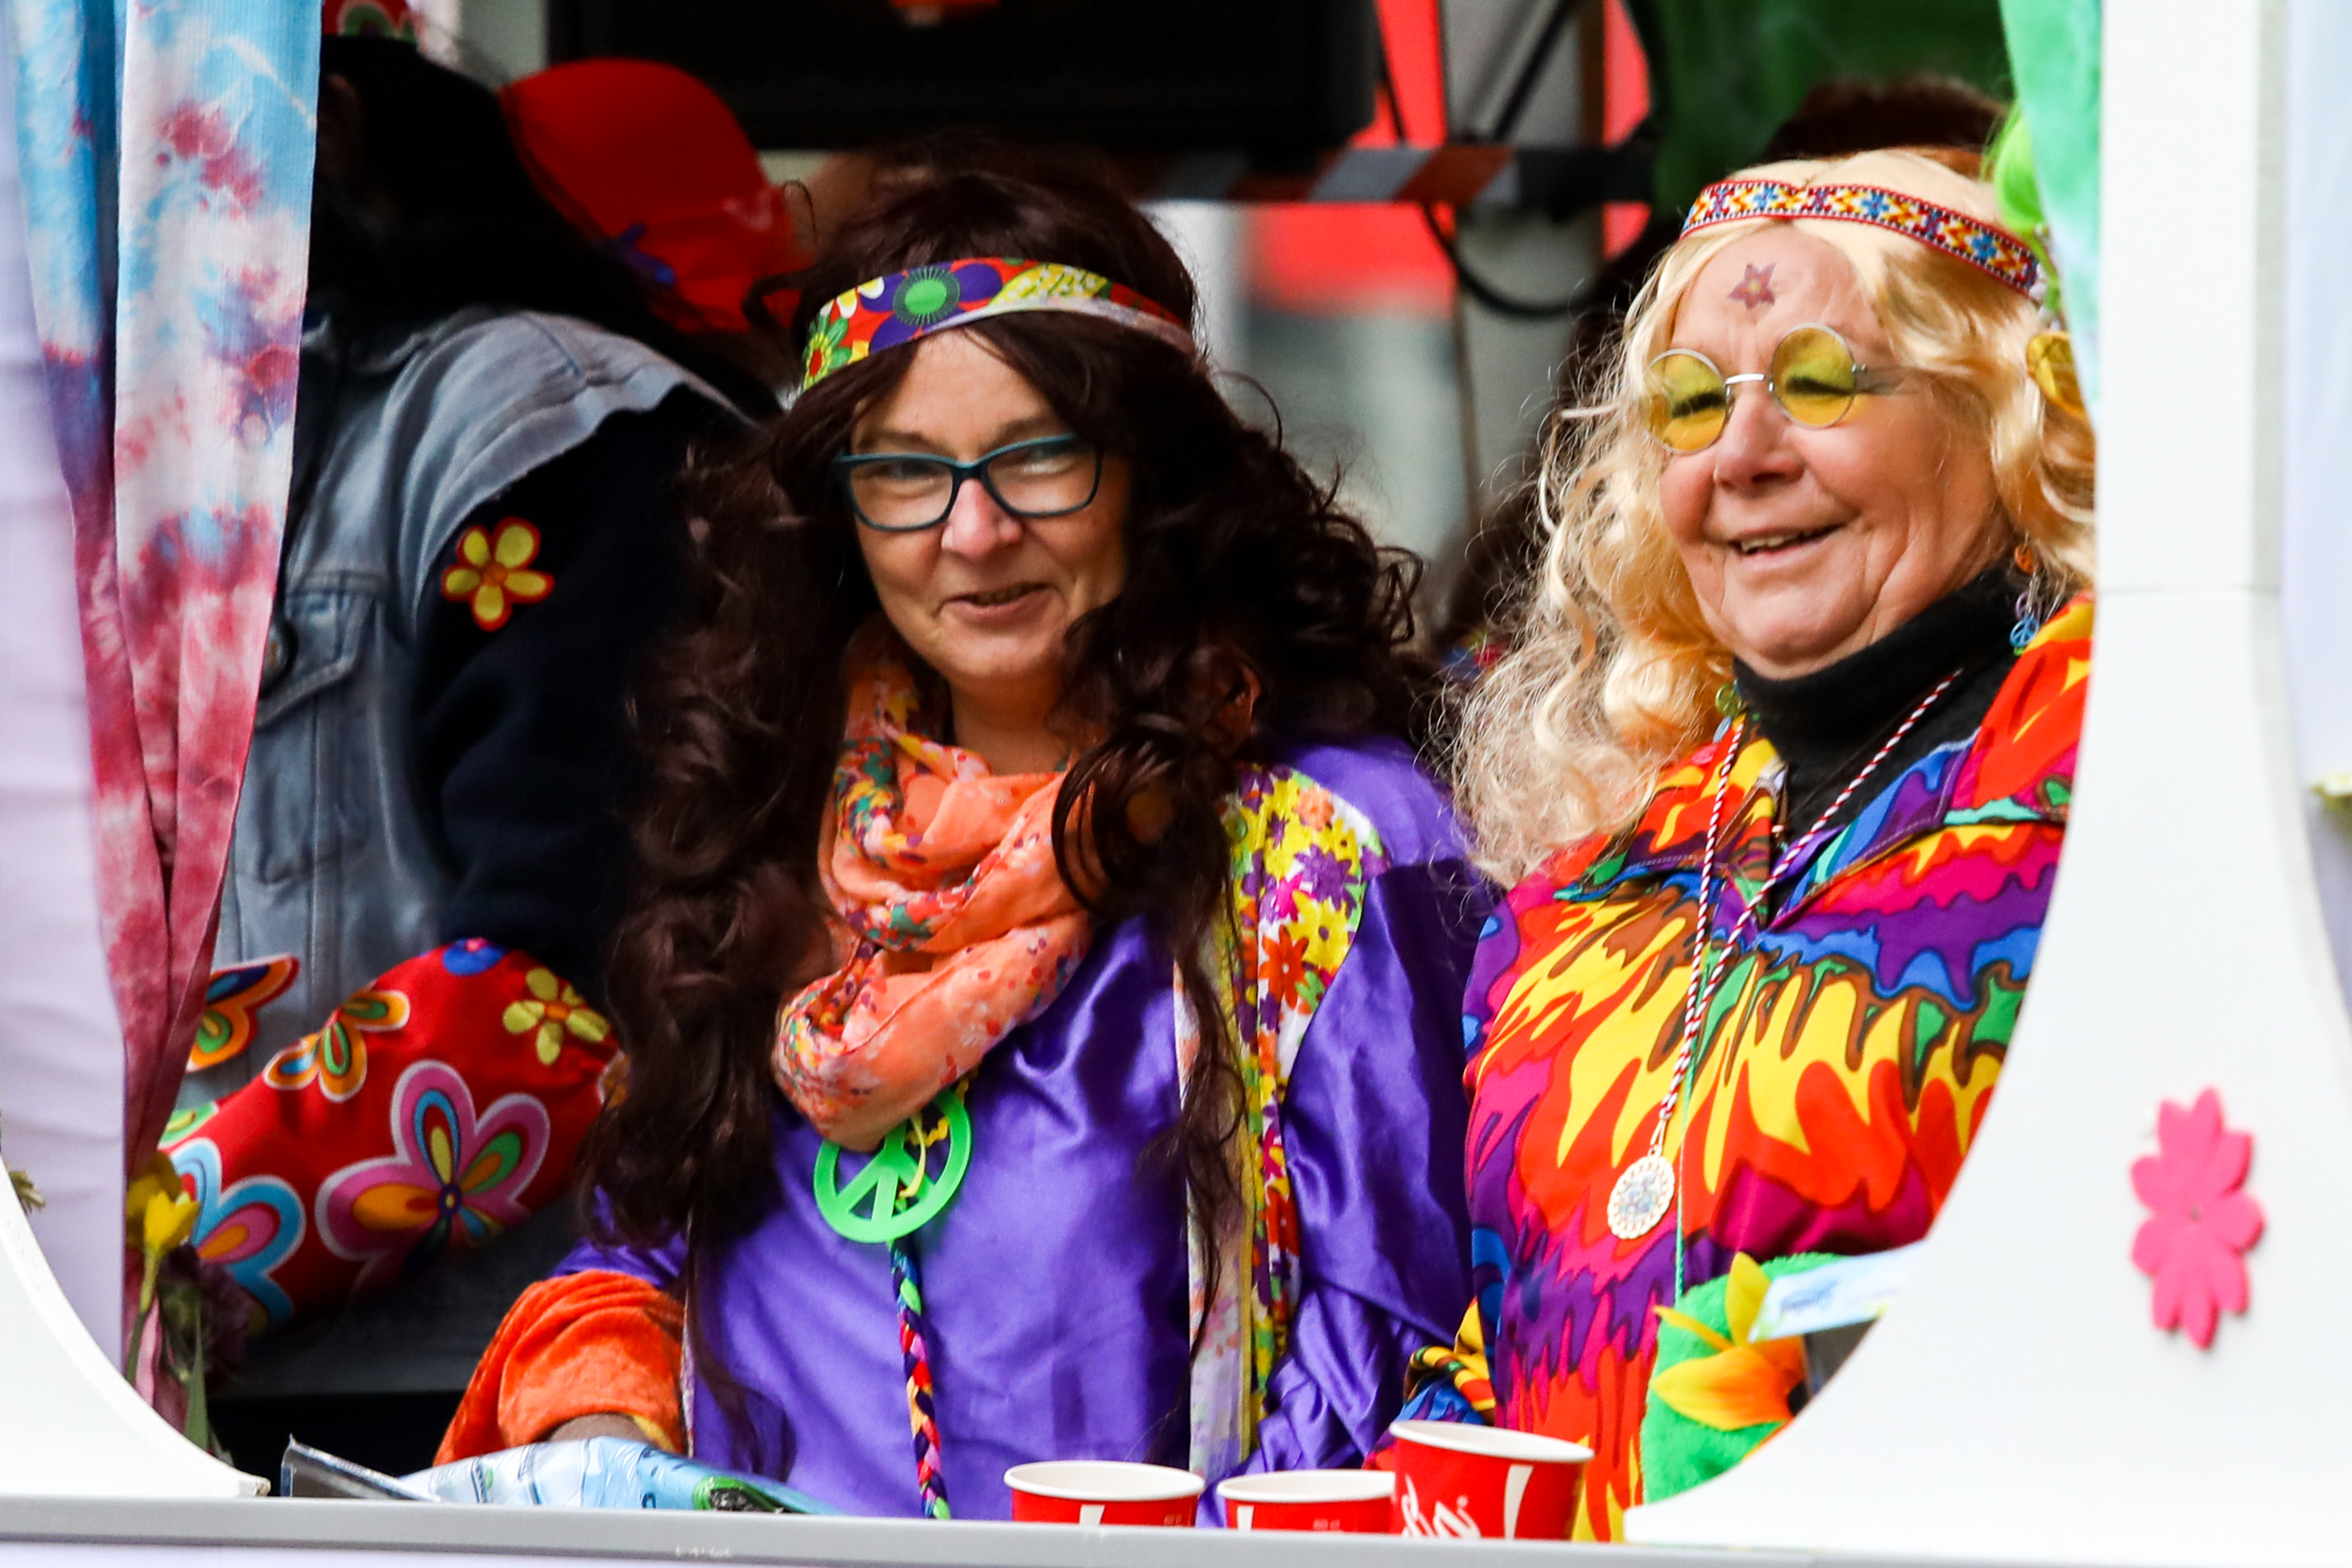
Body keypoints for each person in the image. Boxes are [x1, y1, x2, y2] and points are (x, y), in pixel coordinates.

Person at [435, 153, 1491, 1520]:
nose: (973, 531)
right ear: (838, 508)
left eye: (1038, 456)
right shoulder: (778, 808)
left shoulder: (1329, 847)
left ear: (1152, 471)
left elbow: (1390, 1366)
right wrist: (604, 1429)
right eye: (904, 472)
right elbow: (642, 1245)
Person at [1426, 147, 2094, 1538]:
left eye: (1817, 383)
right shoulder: (1587, 886)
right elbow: (1495, 1347)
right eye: (1690, 403)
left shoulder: (2106, 807)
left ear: (2000, 414)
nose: (1740, 457)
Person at [168, 16, 772, 1474]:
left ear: (318, 131)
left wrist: (147, 1250)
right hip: (141, 1369)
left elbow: (579, 979)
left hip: (473, 1399)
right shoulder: (135, 443)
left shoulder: (550, 430)